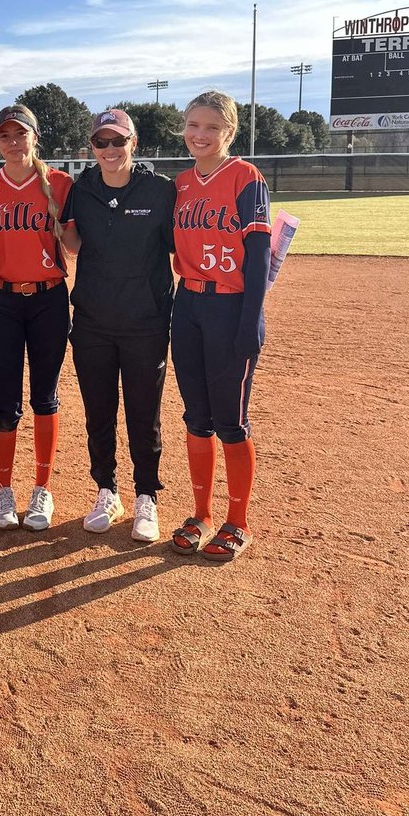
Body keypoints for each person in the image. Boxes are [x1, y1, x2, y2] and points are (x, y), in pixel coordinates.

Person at [61, 109, 176, 543]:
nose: (110, 150)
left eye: (118, 141)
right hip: (92, 323)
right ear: (92, 148)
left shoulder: (161, 191)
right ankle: (106, 491)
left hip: (145, 323)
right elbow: (72, 244)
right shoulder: (81, 190)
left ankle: (147, 495)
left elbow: (181, 247)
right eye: (101, 142)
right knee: (99, 413)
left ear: (134, 143)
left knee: (144, 416)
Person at [169, 91, 271, 563]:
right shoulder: (182, 183)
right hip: (187, 303)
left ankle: (238, 521)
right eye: (193, 125)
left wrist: (252, 320)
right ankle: (202, 514)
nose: (200, 135)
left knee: (231, 421)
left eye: (211, 127)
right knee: (196, 416)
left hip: (230, 307)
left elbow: (256, 260)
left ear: (228, 132)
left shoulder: (245, 177)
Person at [0, 103, 74, 532]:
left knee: (45, 397)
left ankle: (42, 488)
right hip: (0, 301)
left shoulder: (61, 184)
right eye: (5, 136)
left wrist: (61, 223)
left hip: (49, 299)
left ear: (35, 137)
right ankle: (3, 489)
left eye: (21, 134)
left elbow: (74, 243)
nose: (13, 143)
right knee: (5, 401)